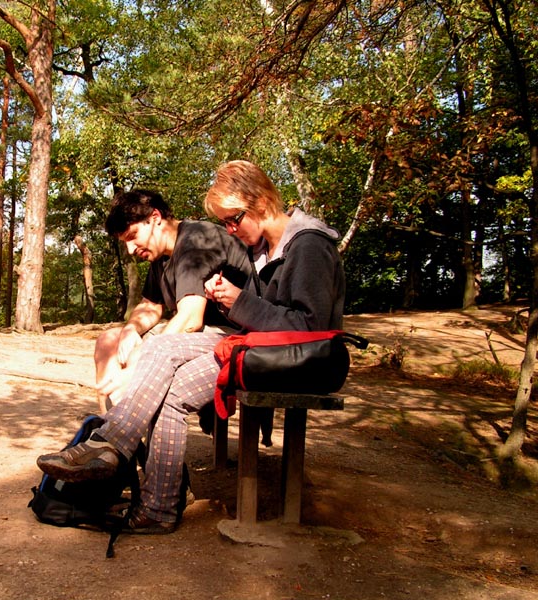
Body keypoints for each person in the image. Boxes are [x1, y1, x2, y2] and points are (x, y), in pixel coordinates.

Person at [38, 160, 345, 533]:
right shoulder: (263, 245)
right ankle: (158, 509)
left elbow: (309, 327)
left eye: (233, 220)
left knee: (162, 349)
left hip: (301, 361)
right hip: (257, 350)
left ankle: (109, 444)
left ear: (262, 202)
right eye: (226, 222)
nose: (229, 230)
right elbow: (160, 308)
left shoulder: (308, 245)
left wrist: (238, 302)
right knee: (171, 393)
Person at [94, 189, 254, 412]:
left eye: (132, 236)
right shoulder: (161, 254)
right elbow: (150, 305)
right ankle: (113, 431)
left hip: (236, 337)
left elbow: (190, 319)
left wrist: (137, 366)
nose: (130, 249)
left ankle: (120, 427)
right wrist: (130, 329)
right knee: (109, 341)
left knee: (141, 354)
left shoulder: (197, 240)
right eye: (125, 243)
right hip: (203, 336)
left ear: (155, 218)